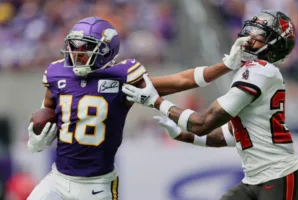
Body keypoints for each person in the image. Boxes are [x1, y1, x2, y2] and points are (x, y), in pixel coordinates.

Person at [26, 16, 247, 200]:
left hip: (96, 185)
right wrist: (37, 136)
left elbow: (179, 80)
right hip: (57, 178)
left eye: (87, 47)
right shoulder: (57, 73)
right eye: (74, 46)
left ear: (106, 50)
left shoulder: (124, 77)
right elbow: (47, 111)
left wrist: (225, 66)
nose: (77, 53)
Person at [122, 10, 298, 200]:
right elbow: (228, 135)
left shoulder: (260, 72)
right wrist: (182, 135)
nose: (249, 37)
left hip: (279, 175)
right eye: (251, 31)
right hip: (256, 178)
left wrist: (156, 102)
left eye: (259, 35)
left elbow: (203, 123)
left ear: (274, 45)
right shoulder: (254, 72)